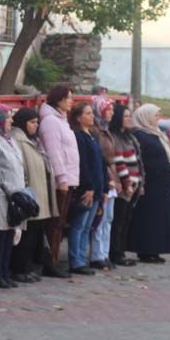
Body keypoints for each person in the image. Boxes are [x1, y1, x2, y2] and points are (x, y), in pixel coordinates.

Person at [10, 107, 57, 282]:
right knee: (24, 236)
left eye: (37, 122)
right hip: (28, 195)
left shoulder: (33, 141)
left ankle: (27, 266)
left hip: (39, 193)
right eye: (32, 122)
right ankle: (18, 268)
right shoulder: (19, 140)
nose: (35, 126)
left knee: (34, 235)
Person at [127, 104, 170, 263]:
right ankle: (146, 250)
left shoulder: (156, 134)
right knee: (149, 219)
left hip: (161, 184)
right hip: (150, 184)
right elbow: (144, 160)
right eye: (155, 115)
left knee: (159, 219)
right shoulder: (141, 135)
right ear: (145, 117)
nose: (158, 118)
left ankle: (155, 249)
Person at [39, 85, 79, 277]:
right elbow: (54, 152)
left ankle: (53, 259)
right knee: (54, 224)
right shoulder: (51, 122)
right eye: (68, 97)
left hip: (70, 178)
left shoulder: (62, 121)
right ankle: (50, 262)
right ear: (59, 100)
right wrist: (62, 178)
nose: (71, 101)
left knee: (60, 224)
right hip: (60, 181)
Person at [0, 105, 24, 289]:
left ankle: (4, 271)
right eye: (8, 117)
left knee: (10, 233)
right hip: (3, 193)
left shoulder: (10, 139)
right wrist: (10, 190)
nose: (11, 121)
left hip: (16, 194)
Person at [68, 101, 107, 275]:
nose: (92, 116)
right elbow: (83, 164)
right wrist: (89, 186)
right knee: (79, 225)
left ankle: (82, 258)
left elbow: (101, 163)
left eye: (92, 113)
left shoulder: (92, 135)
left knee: (87, 227)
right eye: (88, 113)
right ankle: (76, 260)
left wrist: (104, 188)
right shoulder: (78, 136)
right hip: (87, 189)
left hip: (97, 189)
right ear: (79, 117)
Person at [108, 102, 142, 267]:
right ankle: (116, 253)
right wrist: (127, 183)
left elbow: (138, 161)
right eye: (126, 116)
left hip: (134, 185)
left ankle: (121, 251)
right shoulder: (115, 137)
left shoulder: (129, 136)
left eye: (130, 116)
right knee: (119, 221)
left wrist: (140, 183)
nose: (129, 119)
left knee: (126, 221)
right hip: (124, 187)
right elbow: (119, 162)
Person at [90, 97, 120, 270]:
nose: (112, 113)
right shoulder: (97, 132)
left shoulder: (106, 131)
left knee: (108, 218)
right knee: (100, 219)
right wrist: (109, 178)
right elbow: (101, 159)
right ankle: (96, 254)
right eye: (108, 109)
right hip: (105, 178)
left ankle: (104, 253)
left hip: (112, 177)